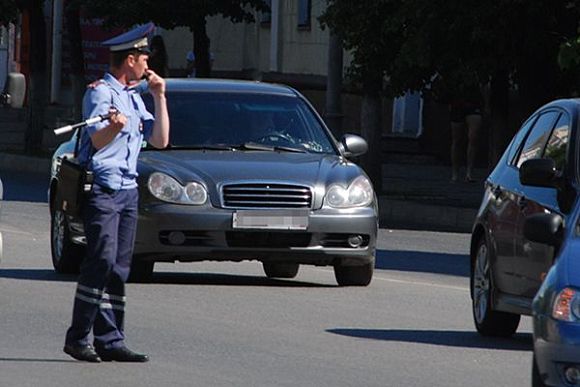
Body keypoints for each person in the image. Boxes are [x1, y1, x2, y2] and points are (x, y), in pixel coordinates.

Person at [63, 22, 169, 363]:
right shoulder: (100, 93)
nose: (147, 63)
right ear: (131, 60)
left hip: (127, 191)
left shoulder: (134, 98)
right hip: (103, 189)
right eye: (144, 57)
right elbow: (95, 141)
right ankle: (79, 337)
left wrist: (159, 96)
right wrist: (112, 126)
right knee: (101, 260)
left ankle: (110, 339)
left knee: (120, 266)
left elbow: (160, 140)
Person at [448, 82, 483, 182]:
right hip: (457, 103)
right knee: (456, 140)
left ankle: (469, 172)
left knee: (473, 138)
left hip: (473, 103)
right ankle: (455, 173)